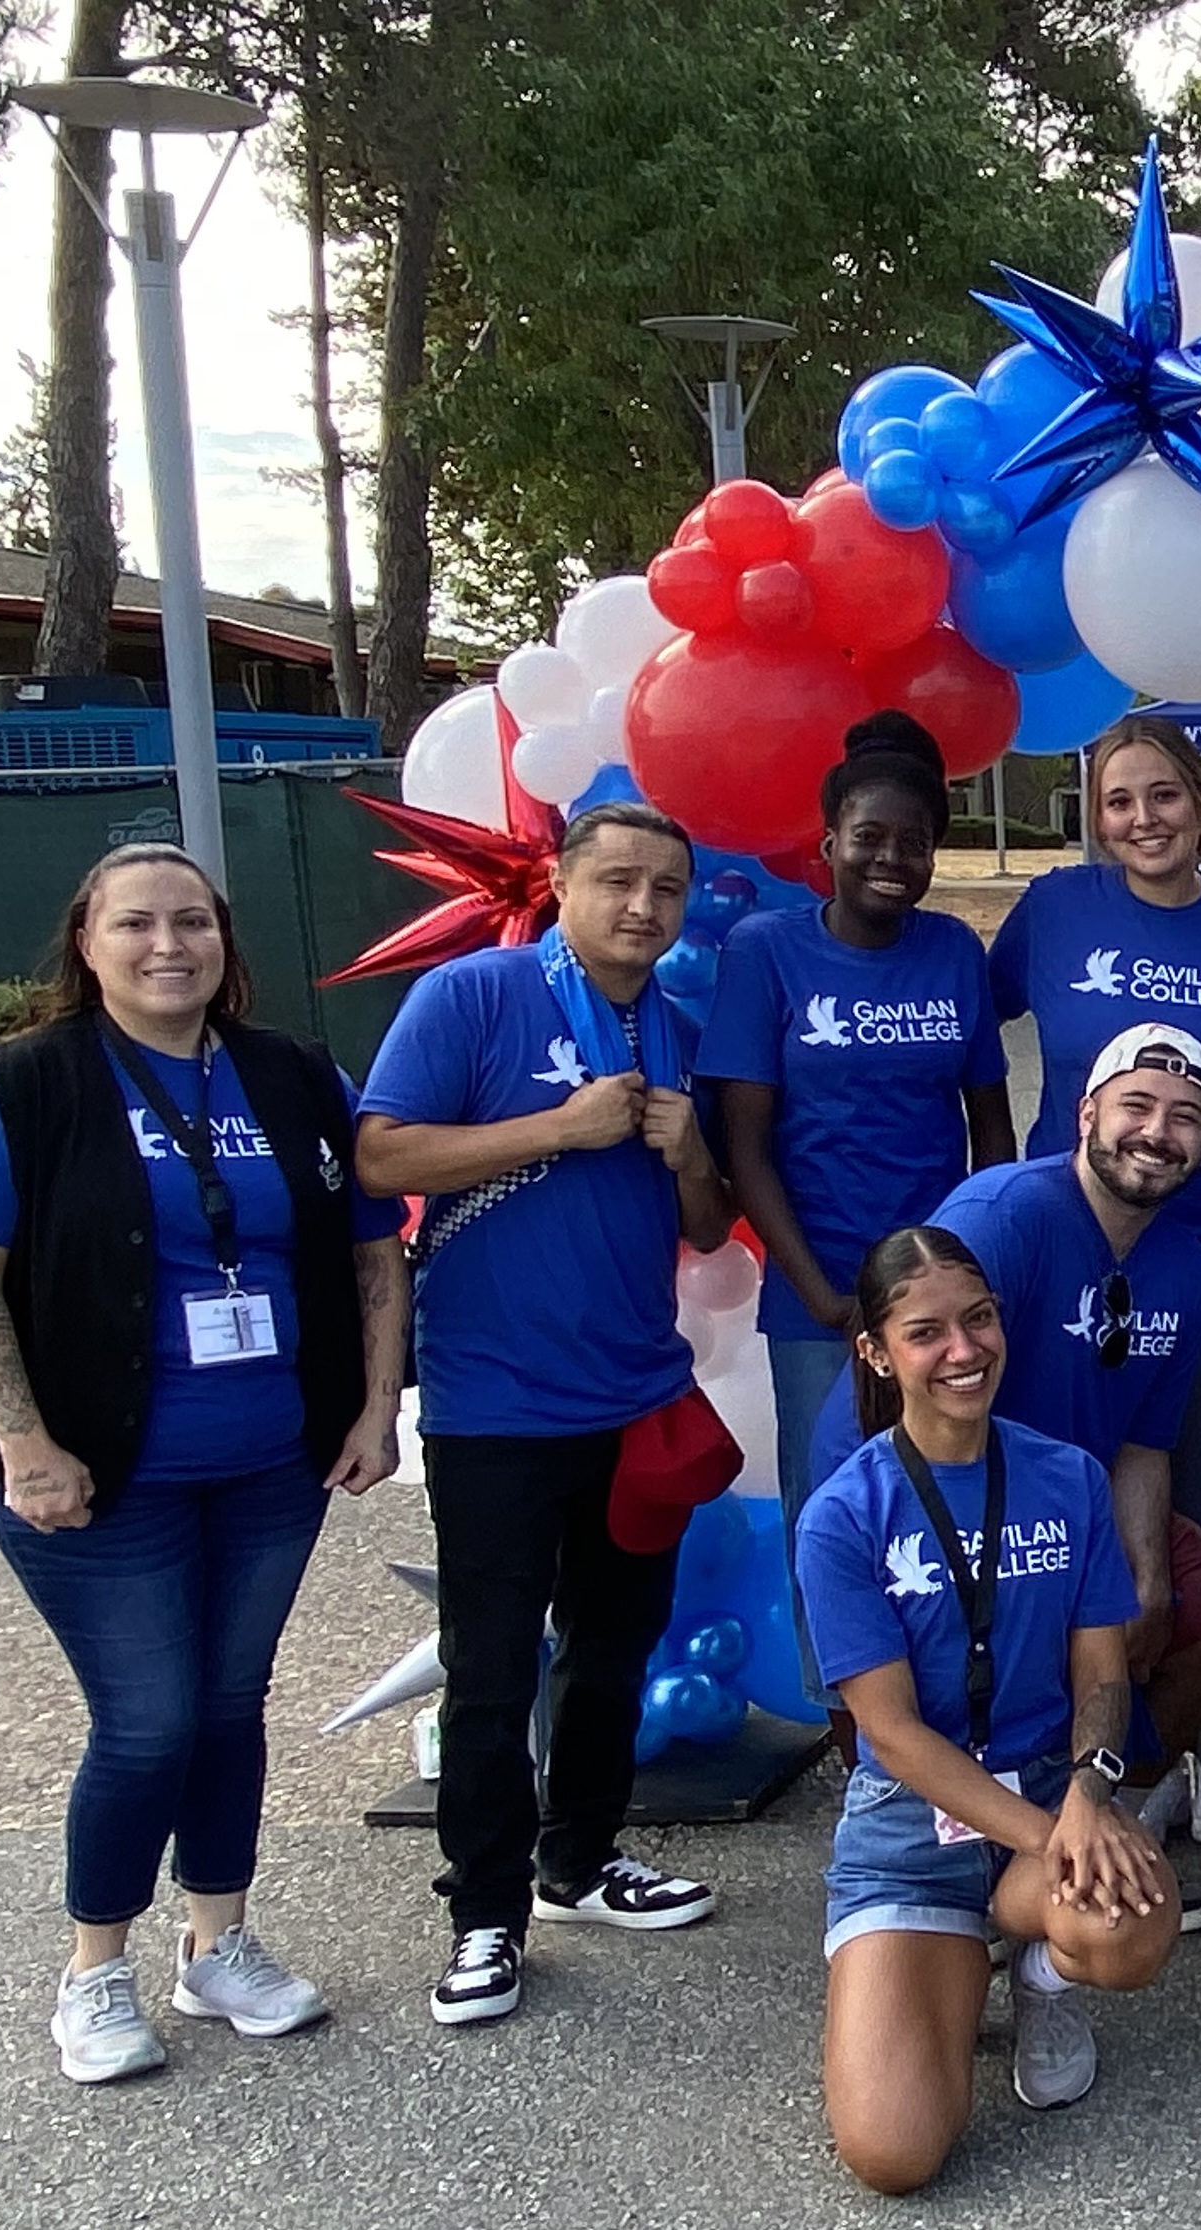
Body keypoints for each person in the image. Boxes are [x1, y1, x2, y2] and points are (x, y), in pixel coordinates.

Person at [0, 843, 409, 2083]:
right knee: (148, 1723)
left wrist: (374, 1401)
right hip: (97, 1479)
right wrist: (24, 1446)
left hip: (269, 1469)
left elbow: (372, 1254)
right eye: (136, 923)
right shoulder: (19, 1087)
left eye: (193, 921)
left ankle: (217, 1945)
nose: (167, 944)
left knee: (232, 1709)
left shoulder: (294, 1077)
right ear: (88, 941)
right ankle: (93, 1971)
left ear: (226, 942)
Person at [356, 800, 738, 2026]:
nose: (643, 908)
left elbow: (699, 1226)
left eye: (666, 890)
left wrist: (687, 1157)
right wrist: (559, 1129)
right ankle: (483, 1912)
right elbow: (380, 1158)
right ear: (564, 886)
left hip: (634, 1395)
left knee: (613, 1650)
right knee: (490, 1665)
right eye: (618, 881)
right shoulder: (474, 999)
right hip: (494, 1406)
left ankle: (578, 1858)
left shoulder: (674, 1026)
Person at [815, 1022, 1201, 1899]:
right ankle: (969, 1841)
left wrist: (1148, 1582)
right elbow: (917, 1380)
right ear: (1085, 1112)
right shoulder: (1005, 1218)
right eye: (1137, 1106)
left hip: (1066, 1505)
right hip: (936, 1504)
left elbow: (1143, 1443)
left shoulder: (1187, 1270)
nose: (1158, 1132)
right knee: (970, 1656)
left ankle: (1109, 1813)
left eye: (1186, 1117)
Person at [803, 1227, 1179, 2188]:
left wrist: (1092, 1794)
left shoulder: (1066, 1476)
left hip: (1053, 1790)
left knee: (1130, 1930)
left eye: (979, 1321)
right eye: (927, 1333)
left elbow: (1102, 1672)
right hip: (910, 1831)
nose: (963, 1351)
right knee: (895, 2154)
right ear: (879, 1353)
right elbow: (889, 1732)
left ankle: (1042, 1974)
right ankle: (936, 1969)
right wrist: (1057, 1840)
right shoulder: (844, 1514)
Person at [701, 714, 1012, 1718]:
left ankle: (963, 1705)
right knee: (829, 1507)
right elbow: (745, 1142)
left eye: (914, 843)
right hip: (820, 1297)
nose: (892, 858)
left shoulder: (954, 951)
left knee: (954, 1494)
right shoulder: (767, 950)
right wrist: (825, 1293)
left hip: (942, 1299)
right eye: (870, 838)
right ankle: (852, 1728)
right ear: (829, 844)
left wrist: (978, 1276)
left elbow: (990, 1131)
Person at [989, 715, 1201, 1585]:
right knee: (1059, 1492)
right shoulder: (1054, 909)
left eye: (1163, 794)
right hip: (1068, 1248)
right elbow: (974, 1037)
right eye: (1118, 801)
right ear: (1096, 817)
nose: (1144, 818)